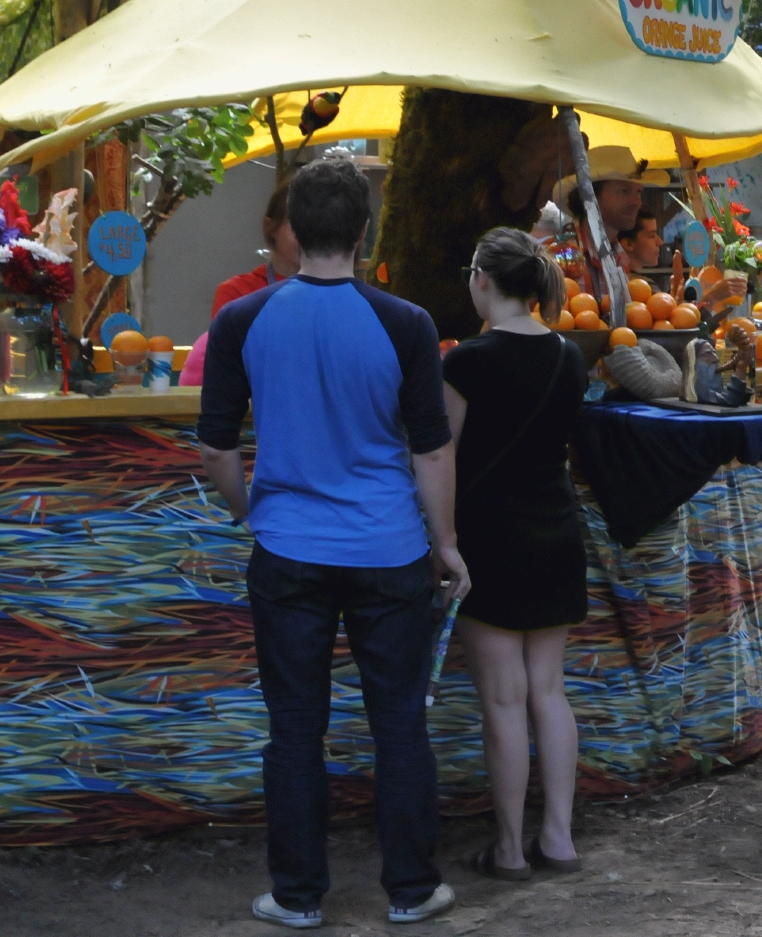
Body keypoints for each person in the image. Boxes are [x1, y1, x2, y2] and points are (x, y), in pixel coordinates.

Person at [197, 158, 466, 928]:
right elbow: (432, 451)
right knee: (399, 724)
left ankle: (296, 897)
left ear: (290, 230)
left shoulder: (241, 322)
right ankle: (412, 890)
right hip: (388, 551)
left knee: (293, 728)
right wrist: (443, 543)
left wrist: (254, 512)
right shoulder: (405, 323)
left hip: (287, 551)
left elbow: (216, 450)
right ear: (362, 229)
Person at [442, 228, 590, 878]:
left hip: (489, 539)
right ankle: (557, 838)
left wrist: (439, 541)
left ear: (481, 280)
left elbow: (438, 455)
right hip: (555, 534)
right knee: (548, 693)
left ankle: (507, 849)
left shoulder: (465, 362)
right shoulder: (568, 355)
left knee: (503, 700)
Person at [554, 146, 670, 298]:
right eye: (623, 191)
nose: (637, 202)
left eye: (638, 192)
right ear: (590, 196)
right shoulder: (556, 257)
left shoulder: (620, 258)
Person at [211, 181, 298, 316]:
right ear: (270, 227)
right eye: (296, 223)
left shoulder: (335, 290)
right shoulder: (236, 293)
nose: (307, 234)